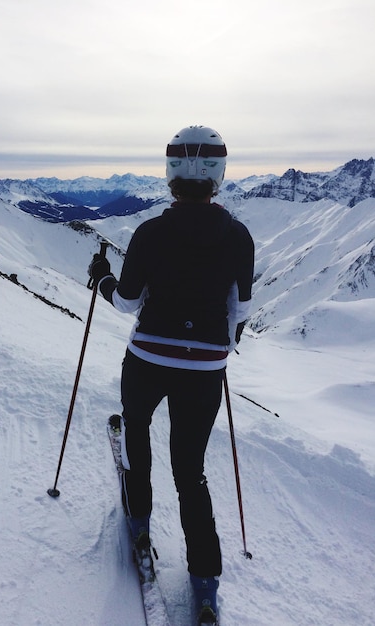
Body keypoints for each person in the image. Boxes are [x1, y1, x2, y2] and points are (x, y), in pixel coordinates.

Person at [88, 125, 254, 626]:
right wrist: (219, 344)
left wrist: (101, 278)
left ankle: (140, 522)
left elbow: (126, 302)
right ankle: (204, 581)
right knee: (190, 470)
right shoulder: (238, 236)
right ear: (219, 175)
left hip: (148, 358)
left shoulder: (150, 233)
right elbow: (239, 311)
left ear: (170, 173)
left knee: (136, 432)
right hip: (203, 368)